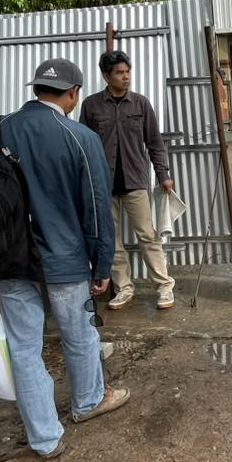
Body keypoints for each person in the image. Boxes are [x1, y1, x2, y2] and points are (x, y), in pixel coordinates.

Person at [0, 58, 128, 459]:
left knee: (24, 348)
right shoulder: (80, 137)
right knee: (80, 336)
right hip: (65, 262)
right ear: (73, 93)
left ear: (36, 89)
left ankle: (44, 439)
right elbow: (97, 210)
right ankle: (88, 401)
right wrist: (102, 266)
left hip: (8, 263)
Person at [82, 49, 177, 311]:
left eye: (128, 72)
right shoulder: (91, 106)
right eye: (120, 73)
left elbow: (154, 143)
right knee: (110, 240)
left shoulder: (140, 104)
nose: (126, 77)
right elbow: (84, 147)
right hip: (103, 184)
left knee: (147, 235)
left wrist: (164, 174)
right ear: (106, 76)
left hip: (136, 181)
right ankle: (124, 287)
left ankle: (164, 286)